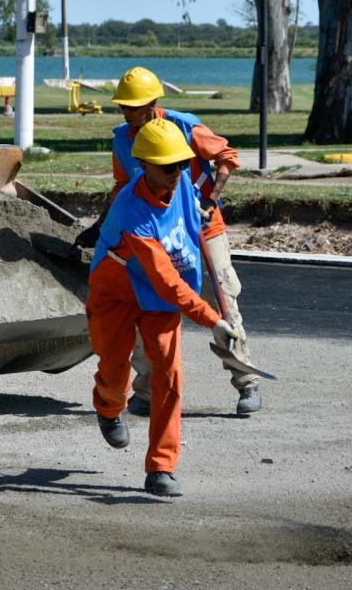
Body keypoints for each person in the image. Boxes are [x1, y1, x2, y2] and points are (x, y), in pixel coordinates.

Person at [76, 66, 261, 416]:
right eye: (123, 106)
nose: (127, 113)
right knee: (149, 304)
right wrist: (100, 226)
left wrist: (211, 201)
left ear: (152, 104)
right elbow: (122, 187)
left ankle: (246, 380)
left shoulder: (183, 126)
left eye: (133, 107)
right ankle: (147, 391)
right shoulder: (123, 140)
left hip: (203, 228)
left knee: (222, 301)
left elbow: (227, 157)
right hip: (156, 234)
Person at [88, 118, 239, 497]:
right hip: (118, 291)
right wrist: (212, 320)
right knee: (114, 369)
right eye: (167, 166)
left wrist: (202, 209)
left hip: (158, 298)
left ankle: (161, 467)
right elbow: (165, 280)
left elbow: (190, 217)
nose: (176, 173)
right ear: (144, 165)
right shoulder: (133, 211)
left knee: (169, 377)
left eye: (181, 164)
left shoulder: (182, 183)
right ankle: (108, 408)